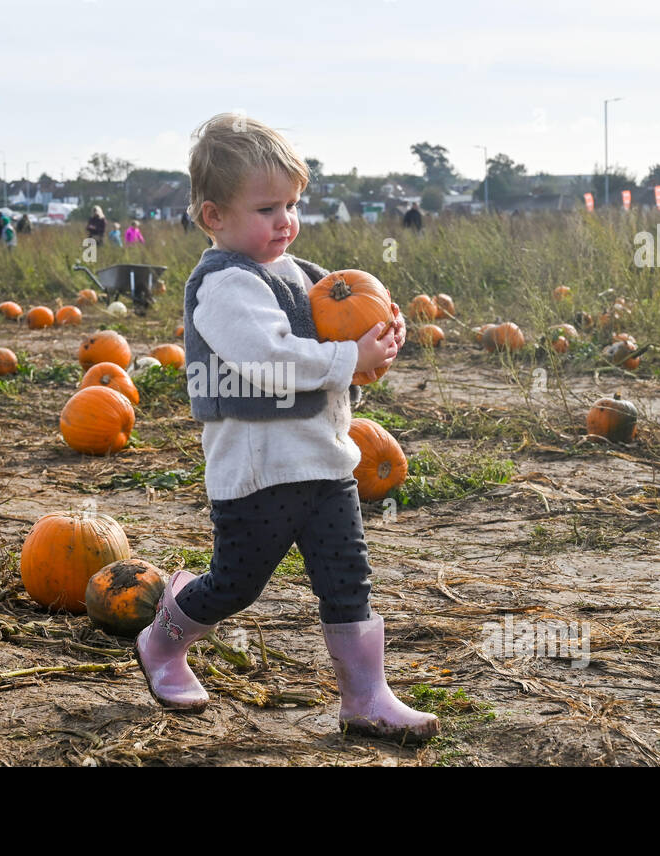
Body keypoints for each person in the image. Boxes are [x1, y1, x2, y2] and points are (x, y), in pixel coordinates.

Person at [133, 112, 434, 743]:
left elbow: (343, 331)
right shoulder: (224, 285)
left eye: (292, 205)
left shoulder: (302, 274)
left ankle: (365, 697)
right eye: (267, 208)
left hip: (326, 464)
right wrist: (350, 359)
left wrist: (380, 336)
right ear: (214, 216)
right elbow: (266, 362)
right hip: (257, 474)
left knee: (347, 580)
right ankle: (163, 641)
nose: (285, 222)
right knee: (236, 585)